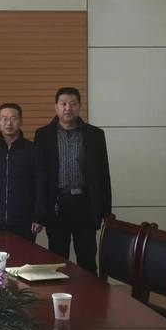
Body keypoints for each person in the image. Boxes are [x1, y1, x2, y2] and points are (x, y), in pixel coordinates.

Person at [34, 87, 112, 274]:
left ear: (79, 106)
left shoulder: (95, 135)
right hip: (57, 205)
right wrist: (39, 212)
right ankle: (60, 293)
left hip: (85, 204)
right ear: (56, 107)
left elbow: (103, 173)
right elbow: (39, 176)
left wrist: (105, 210)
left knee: (87, 259)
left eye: (73, 103)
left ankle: (91, 293)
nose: (68, 108)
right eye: (63, 104)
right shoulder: (43, 135)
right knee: (58, 260)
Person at [0, 103, 47, 241]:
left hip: (25, 222)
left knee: (24, 254)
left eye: (13, 118)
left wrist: (38, 216)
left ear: (21, 121)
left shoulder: (33, 150)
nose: (9, 123)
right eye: (4, 118)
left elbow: (41, 185)